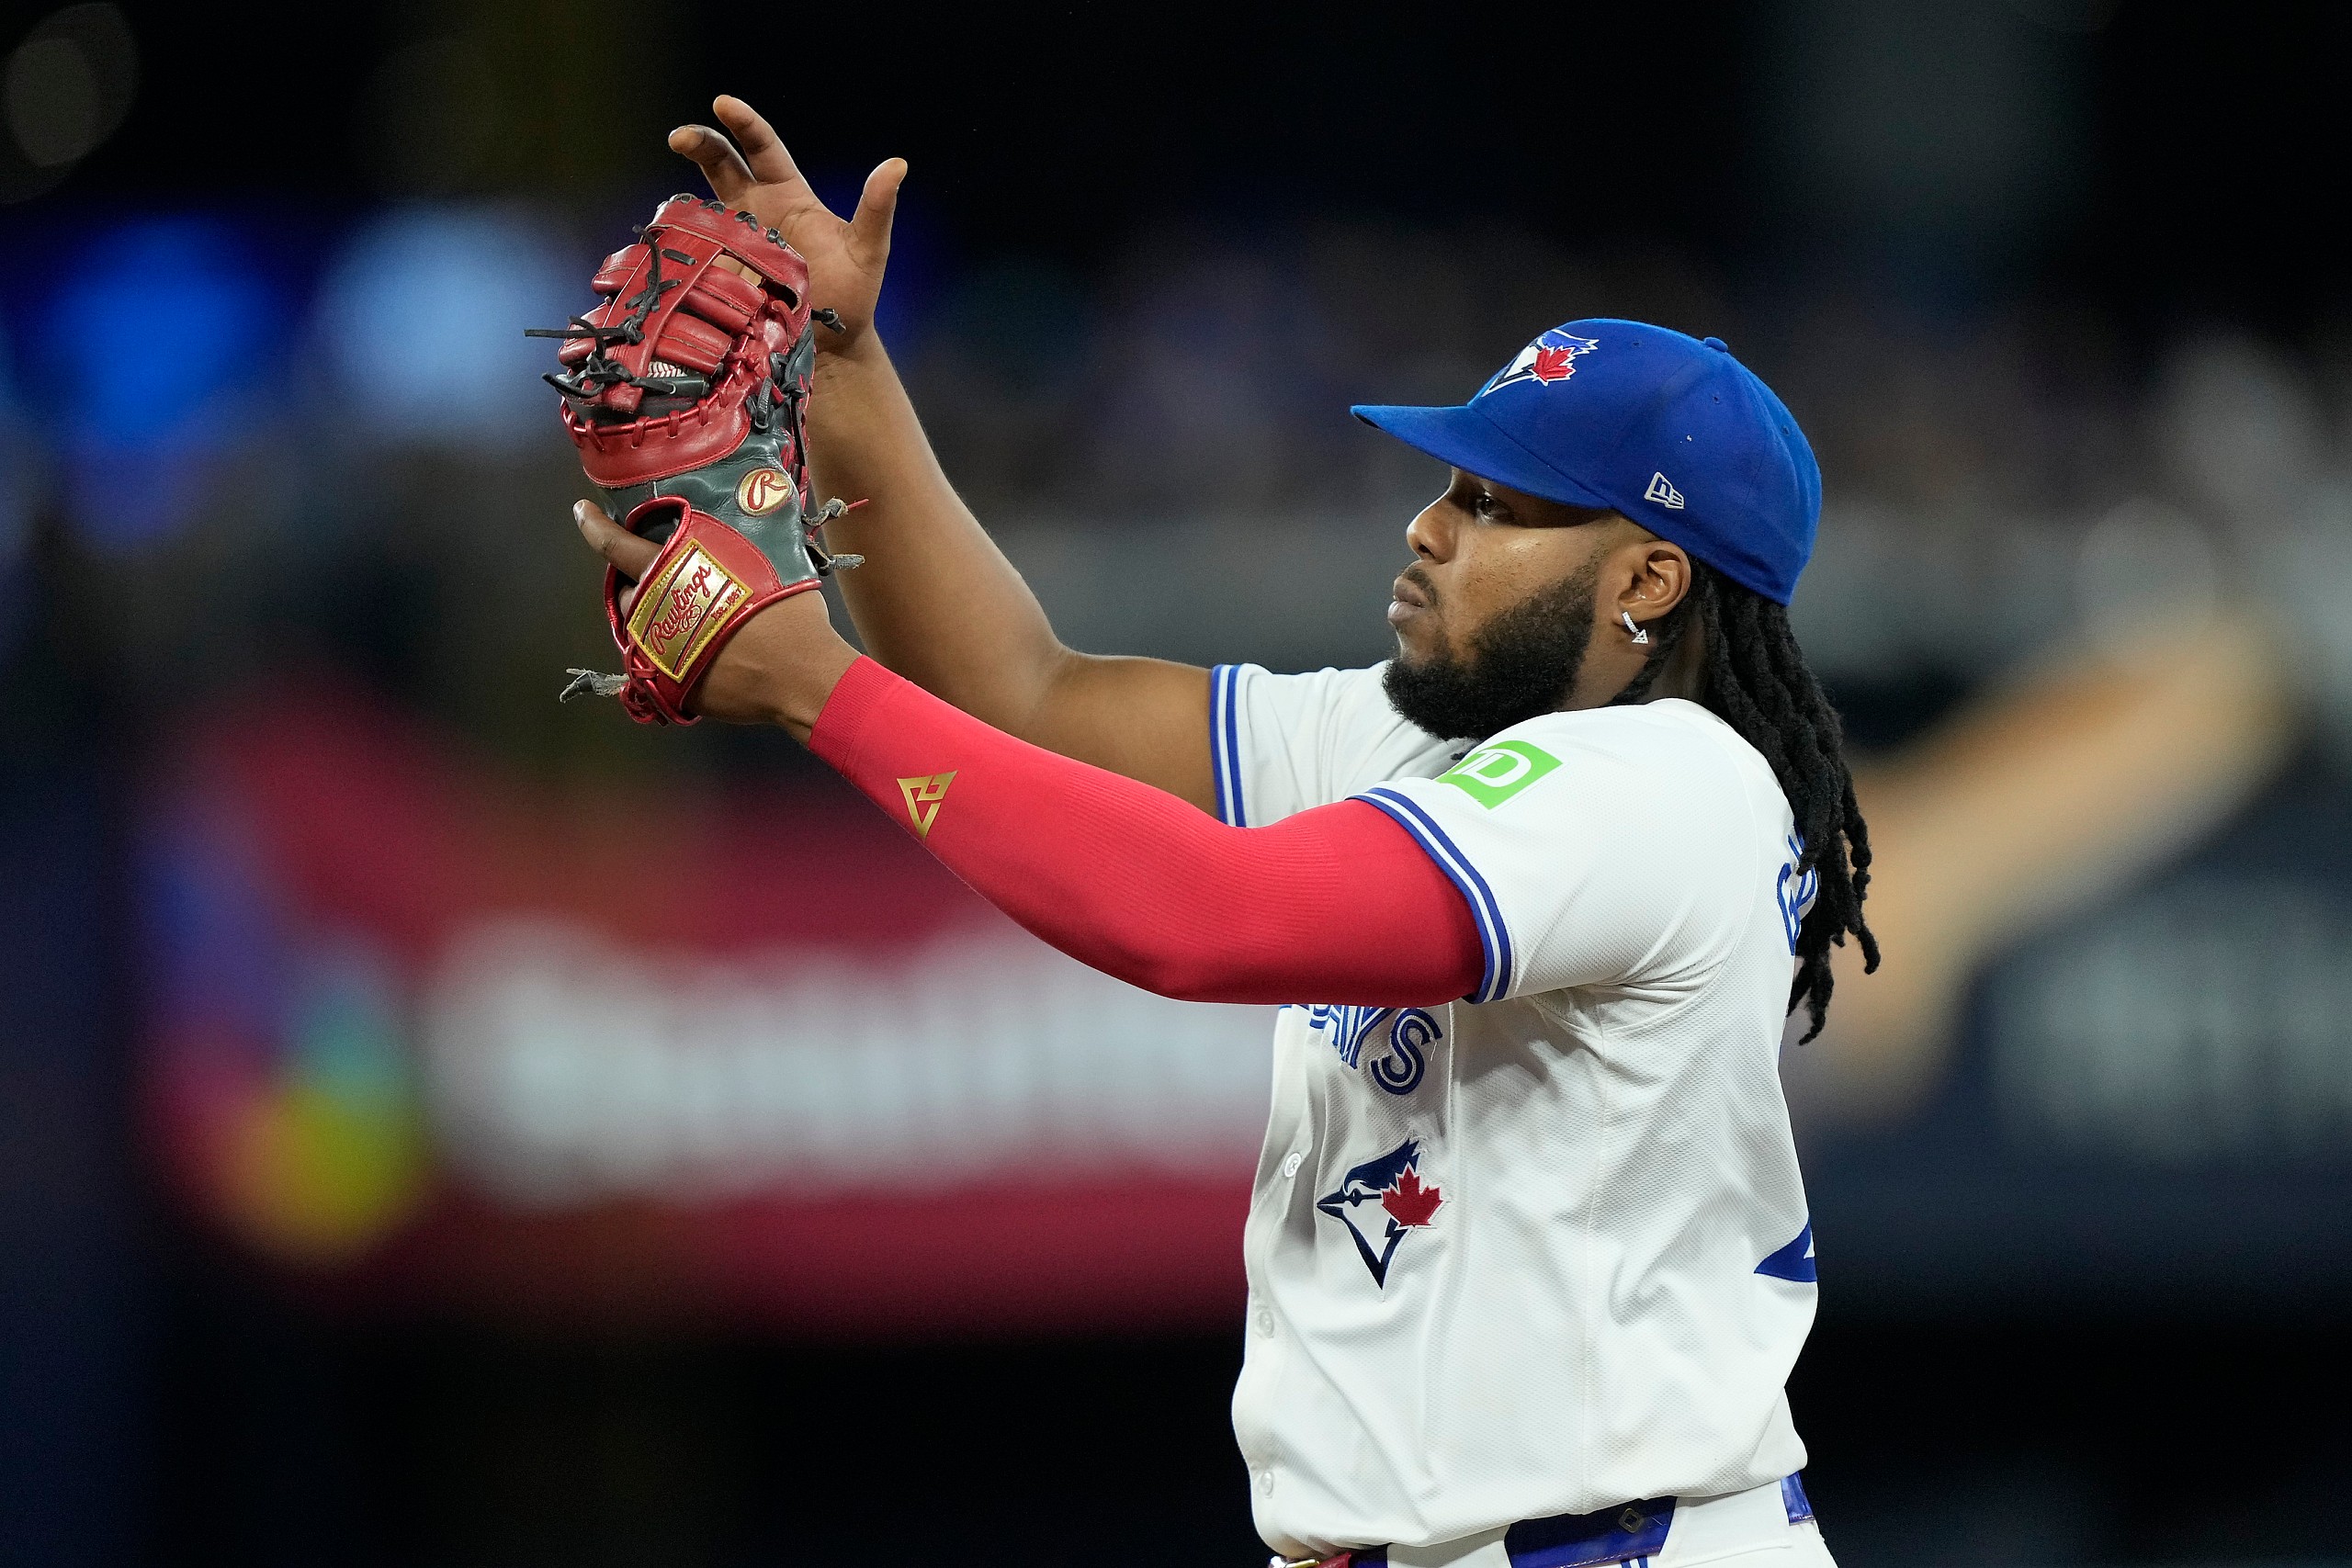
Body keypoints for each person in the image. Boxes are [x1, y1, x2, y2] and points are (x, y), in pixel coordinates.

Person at [572, 95, 1877, 1568]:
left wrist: (815, 683)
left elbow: (1209, 920)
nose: (1427, 530)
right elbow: (1024, 690)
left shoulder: (1667, 785)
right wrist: (847, 367)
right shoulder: (1427, 743)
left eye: (1498, 507)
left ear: (1648, 579)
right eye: (1445, 486)